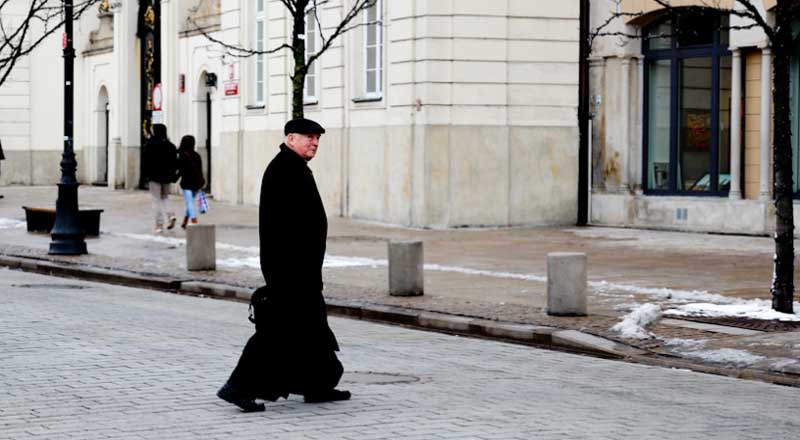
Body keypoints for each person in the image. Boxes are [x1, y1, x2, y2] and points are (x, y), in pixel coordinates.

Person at [217, 118, 350, 412]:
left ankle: (317, 385)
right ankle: (237, 387)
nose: (314, 143)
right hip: (291, 269)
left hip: (301, 267)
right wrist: (291, 271)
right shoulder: (284, 169)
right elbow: (282, 227)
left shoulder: (293, 167)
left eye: (317, 138)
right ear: (291, 138)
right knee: (277, 332)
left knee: (314, 326)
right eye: (308, 137)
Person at [142, 124, 178, 232]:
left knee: (156, 200)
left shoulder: (150, 145)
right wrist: (172, 174)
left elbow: (145, 162)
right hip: (166, 176)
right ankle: (171, 215)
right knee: (165, 197)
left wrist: (145, 176)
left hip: (154, 176)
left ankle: (159, 224)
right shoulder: (171, 146)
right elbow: (174, 162)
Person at [176, 135, 205, 229]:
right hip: (196, 183)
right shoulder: (197, 155)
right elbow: (200, 170)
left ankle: (194, 221)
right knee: (190, 202)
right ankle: (185, 221)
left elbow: (180, 171)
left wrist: (174, 178)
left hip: (187, 183)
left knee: (189, 203)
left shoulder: (182, 155)